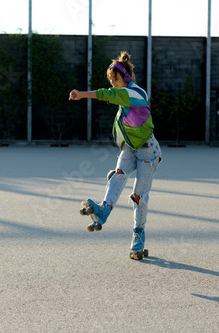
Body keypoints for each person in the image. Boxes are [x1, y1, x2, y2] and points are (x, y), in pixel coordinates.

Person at [69, 51, 162, 260]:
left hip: (148, 151)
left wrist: (81, 94)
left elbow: (106, 94)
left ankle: (138, 235)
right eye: (110, 81)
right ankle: (103, 210)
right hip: (130, 147)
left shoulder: (134, 94)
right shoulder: (123, 97)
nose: (112, 84)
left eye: (115, 80)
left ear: (125, 78)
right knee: (118, 174)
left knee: (139, 197)